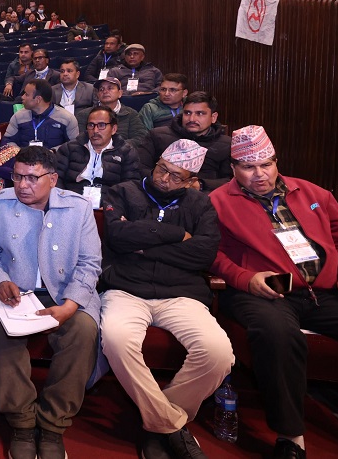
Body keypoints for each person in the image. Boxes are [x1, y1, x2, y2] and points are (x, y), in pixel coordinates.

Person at [210, 126, 338, 459]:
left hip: (324, 290)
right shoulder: (218, 201)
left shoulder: (313, 193)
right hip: (266, 289)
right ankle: (291, 437)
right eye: (249, 167)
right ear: (233, 168)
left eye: (266, 164)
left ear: (276, 162)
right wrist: (245, 278)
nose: (259, 174)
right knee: (277, 334)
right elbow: (212, 253)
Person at [99, 140, 234, 459]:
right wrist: (176, 235)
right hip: (127, 289)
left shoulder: (200, 204)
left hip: (181, 295)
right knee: (116, 340)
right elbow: (117, 237)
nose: (165, 178)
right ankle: (172, 428)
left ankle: (158, 425)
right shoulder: (123, 191)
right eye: (163, 169)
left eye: (176, 176)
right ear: (157, 162)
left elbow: (203, 254)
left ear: (190, 181)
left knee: (218, 354)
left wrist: (143, 244)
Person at [0, 145, 102, 459]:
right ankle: (21, 420)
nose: (22, 185)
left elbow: (90, 263)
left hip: (64, 293)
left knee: (83, 331)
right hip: (14, 292)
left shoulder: (78, 208)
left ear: (53, 179)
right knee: (0, 327)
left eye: (32, 178)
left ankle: (53, 423)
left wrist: (71, 305)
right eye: (18, 177)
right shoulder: (0, 204)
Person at [137, 92, 232, 192]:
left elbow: (231, 181)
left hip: (204, 195)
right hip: (158, 191)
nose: (192, 119)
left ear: (213, 117)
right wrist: (161, 179)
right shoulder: (157, 135)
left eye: (200, 114)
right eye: (187, 113)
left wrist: (200, 185)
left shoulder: (226, 144)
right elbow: (140, 168)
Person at [56, 106, 142, 204]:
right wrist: (63, 200)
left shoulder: (126, 152)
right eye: (91, 125)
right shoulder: (69, 148)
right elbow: (55, 178)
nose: (95, 130)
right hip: (71, 202)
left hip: (108, 205)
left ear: (113, 129)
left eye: (101, 125)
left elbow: (130, 186)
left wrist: (113, 205)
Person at [3, 79, 78, 149]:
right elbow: (7, 140)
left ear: (38, 99)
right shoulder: (18, 116)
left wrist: (54, 151)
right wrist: (20, 153)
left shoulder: (67, 118)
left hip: (54, 157)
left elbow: (73, 145)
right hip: (23, 157)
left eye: (26, 94)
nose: (22, 97)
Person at [76, 76, 147, 142]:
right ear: (97, 95)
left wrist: (117, 147)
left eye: (110, 88)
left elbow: (140, 138)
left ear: (120, 93)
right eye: (101, 89)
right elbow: (80, 139)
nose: (105, 91)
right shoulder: (84, 114)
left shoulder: (131, 114)